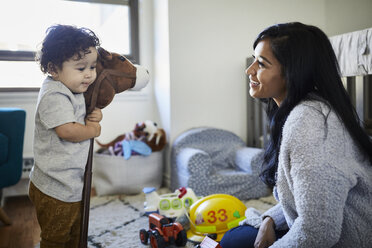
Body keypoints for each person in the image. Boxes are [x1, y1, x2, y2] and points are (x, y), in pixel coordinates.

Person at [220, 22, 372, 248]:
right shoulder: (301, 111)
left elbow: (319, 231)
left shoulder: (310, 122)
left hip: (347, 239)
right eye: (254, 60)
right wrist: (270, 219)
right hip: (325, 228)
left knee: (233, 242)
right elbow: (310, 198)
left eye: (261, 64)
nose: (249, 70)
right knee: (235, 236)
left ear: (293, 73)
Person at [29, 24, 102, 247]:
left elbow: (77, 118)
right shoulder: (54, 94)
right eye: (81, 68)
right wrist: (92, 130)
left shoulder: (72, 88)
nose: (89, 74)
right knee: (56, 237)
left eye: (92, 66)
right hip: (54, 186)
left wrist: (92, 117)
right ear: (53, 69)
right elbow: (67, 130)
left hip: (70, 182)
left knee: (74, 231)